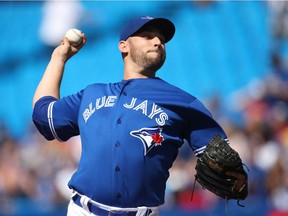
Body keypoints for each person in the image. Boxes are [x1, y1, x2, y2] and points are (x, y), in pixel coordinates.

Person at [32, 16, 247, 216]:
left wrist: (235, 175)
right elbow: (43, 114)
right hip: (83, 211)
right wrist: (58, 59)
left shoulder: (184, 102)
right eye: (147, 36)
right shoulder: (92, 93)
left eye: (161, 39)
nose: (157, 42)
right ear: (123, 46)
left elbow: (222, 158)